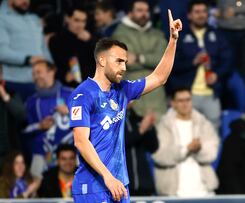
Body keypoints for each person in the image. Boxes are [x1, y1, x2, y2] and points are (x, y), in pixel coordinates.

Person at [68, 10, 182, 202]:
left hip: (119, 185)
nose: (124, 67)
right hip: (94, 186)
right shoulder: (83, 94)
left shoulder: (122, 90)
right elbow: (80, 141)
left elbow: (159, 77)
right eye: (119, 61)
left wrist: (173, 40)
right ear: (102, 60)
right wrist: (107, 177)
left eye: (126, 62)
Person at [170, 0, 235, 128]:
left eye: (204, 11)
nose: (201, 15)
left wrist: (217, 74)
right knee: (187, 132)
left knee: (213, 136)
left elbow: (228, 60)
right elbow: (173, 64)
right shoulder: (180, 36)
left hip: (212, 94)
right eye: (197, 12)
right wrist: (192, 62)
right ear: (189, 15)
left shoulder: (217, 34)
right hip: (188, 94)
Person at [152, 87, 219, 196]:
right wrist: (186, 149)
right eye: (181, 101)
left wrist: (199, 149)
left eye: (188, 100)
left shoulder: (203, 123)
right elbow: (159, 155)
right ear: (173, 103)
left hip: (204, 192)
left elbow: (212, 153)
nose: (185, 104)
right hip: (174, 193)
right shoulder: (164, 125)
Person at [111, 0, 168, 118]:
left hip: (157, 97)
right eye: (139, 10)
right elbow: (125, 62)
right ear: (130, 13)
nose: (144, 14)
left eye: (146, 11)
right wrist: (150, 60)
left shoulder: (157, 34)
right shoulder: (119, 34)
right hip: (133, 97)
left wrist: (138, 58)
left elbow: (163, 61)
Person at [0, 0, 52, 100]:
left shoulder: (34, 19)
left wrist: (51, 67)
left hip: (41, 82)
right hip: (14, 83)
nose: (26, 1)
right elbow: (2, 53)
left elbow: (43, 48)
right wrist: (29, 59)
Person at [24, 60, 73, 179]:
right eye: (34, 74)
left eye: (39, 72)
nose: (36, 76)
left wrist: (70, 112)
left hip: (71, 154)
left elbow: (91, 119)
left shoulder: (71, 94)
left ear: (52, 72)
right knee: (38, 192)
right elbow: (24, 130)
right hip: (42, 153)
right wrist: (39, 126)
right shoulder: (31, 102)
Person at [0, 60, 26, 168]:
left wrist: (4, 95)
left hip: (9, 154)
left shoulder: (10, 93)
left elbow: (22, 115)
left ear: (1, 75)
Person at [49, 6, 96, 88]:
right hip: (68, 87)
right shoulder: (56, 40)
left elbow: (102, 58)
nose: (80, 25)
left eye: (83, 21)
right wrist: (63, 76)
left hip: (91, 87)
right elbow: (53, 64)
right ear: (67, 18)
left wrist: (91, 40)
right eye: (76, 20)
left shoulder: (91, 37)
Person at [125, 103, 158, 196]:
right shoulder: (112, 121)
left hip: (144, 185)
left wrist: (150, 127)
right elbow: (121, 142)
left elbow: (153, 147)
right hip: (123, 185)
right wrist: (141, 130)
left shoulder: (138, 119)